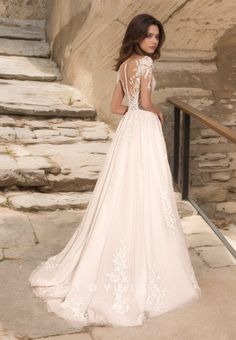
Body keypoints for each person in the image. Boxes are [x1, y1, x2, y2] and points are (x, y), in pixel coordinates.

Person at [29, 13, 201, 329]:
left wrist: (137, 109)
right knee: (148, 190)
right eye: (149, 35)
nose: (154, 41)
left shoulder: (123, 66)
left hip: (128, 131)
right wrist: (154, 110)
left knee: (122, 191)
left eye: (157, 36)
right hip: (145, 130)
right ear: (137, 36)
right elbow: (147, 101)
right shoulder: (146, 65)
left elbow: (116, 107)